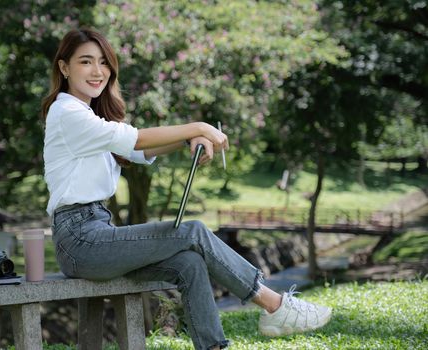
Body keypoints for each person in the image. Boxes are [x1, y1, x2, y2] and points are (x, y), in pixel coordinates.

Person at [42, 28, 332, 350]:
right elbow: (136, 139)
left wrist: (186, 140)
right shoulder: (66, 112)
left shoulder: (89, 116)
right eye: (86, 62)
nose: (98, 72)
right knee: (192, 231)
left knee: (189, 264)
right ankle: (274, 305)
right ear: (65, 68)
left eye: (104, 63)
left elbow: (137, 152)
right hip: (80, 240)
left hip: (98, 233)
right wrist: (199, 127)